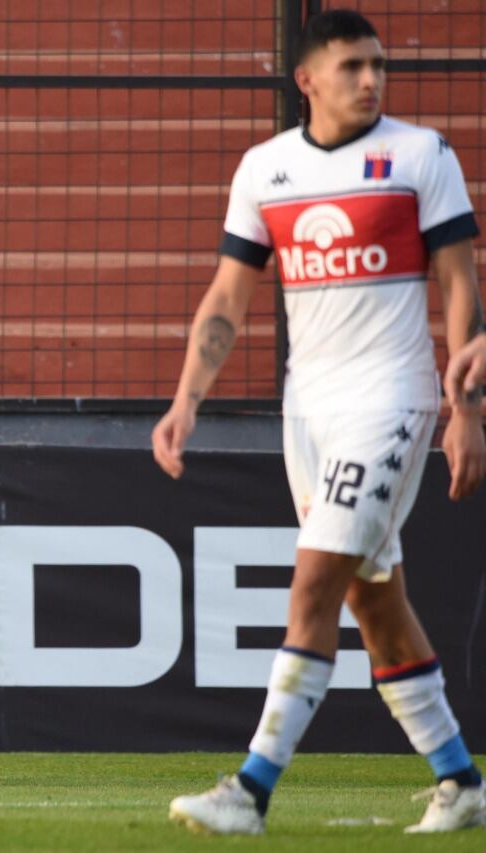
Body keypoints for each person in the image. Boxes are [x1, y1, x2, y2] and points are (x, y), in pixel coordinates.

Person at [154, 10, 486, 835]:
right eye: (352, 67)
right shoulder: (266, 169)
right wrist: (187, 397)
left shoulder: (419, 155)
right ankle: (461, 779)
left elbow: (458, 282)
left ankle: (251, 790)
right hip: (308, 411)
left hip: (392, 401)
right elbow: (229, 296)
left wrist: (466, 407)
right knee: (376, 600)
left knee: (313, 585)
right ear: (306, 79)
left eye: (378, 66)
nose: (371, 80)